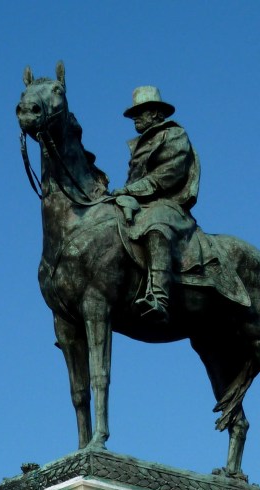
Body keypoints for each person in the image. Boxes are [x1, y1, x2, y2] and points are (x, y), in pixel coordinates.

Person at [112, 86, 200, 322]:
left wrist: (130, 190)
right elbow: (134, 181)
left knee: (156, 225)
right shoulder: (140, 143)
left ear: (155, 113)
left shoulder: (174, 135)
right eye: (133, 114)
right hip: (140, 201)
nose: (135, 119)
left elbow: (169, 174)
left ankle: (159, 297)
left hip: (169, 204)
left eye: (139, 113)